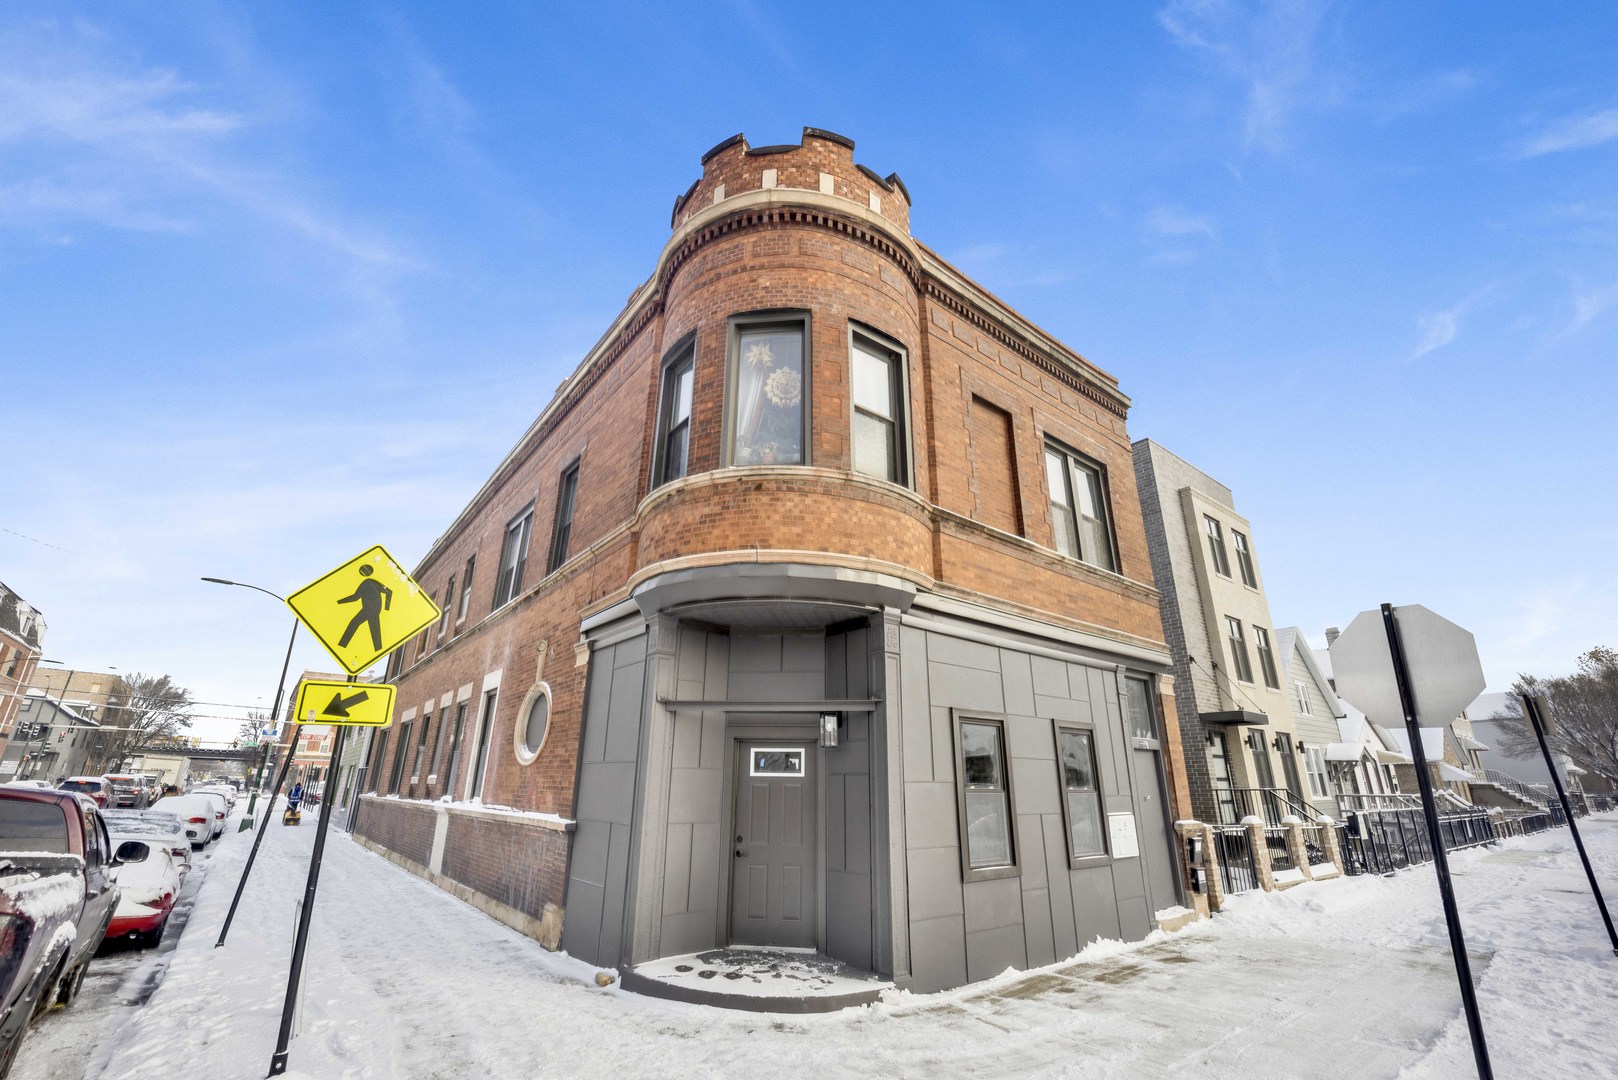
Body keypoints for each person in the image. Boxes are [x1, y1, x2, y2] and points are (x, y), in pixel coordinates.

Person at [335, 563, 393, 652]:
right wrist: (386, 609)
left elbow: (355, 598)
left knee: (355, 624)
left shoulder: (366, 583)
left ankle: (342, 646)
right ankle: (377, 650)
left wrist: (339, 602)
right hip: (373, 610)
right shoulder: (371, 582)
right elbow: (389, 592)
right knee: (374, 632)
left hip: (369, 610)